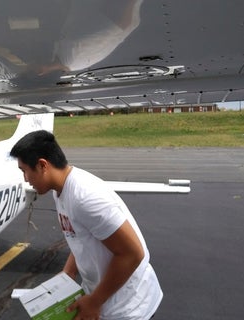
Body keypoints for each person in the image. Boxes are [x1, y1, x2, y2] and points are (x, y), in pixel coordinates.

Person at [10, 130, 162, 320]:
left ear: (42, 165)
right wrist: (69, 272)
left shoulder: (85, 198)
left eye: (24, 171)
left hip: (129, 308)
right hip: (104, 298)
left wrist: (94, 302)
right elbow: (82, 235)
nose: (25, 179)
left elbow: (132, 253)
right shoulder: (61, 191)